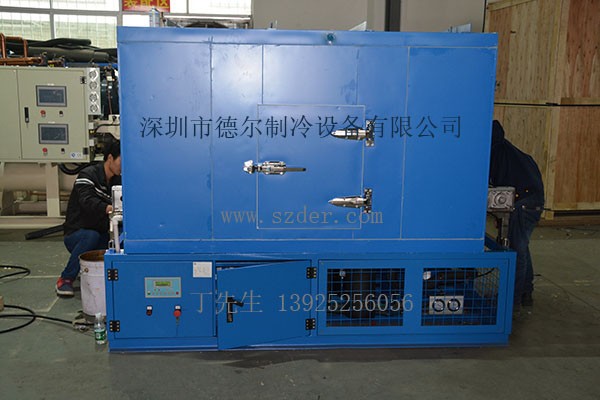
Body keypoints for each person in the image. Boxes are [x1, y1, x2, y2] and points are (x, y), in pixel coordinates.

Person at [489, 120, 544, 311]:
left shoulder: (494, 151)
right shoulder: (507, 150)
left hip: (523, 202)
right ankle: (525, 291)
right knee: (521, 247)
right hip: (532, 200)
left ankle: (511, 302)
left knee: (515, 251)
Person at [55, 140, 122, 296]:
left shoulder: (117, 180)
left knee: (121, 238)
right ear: (110, 158)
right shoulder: (88, 175)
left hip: (100, 233)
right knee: (91, 236)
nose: (123, 166)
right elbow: (87, 201)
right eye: (121, 161)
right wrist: (109, 208)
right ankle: (65, 279)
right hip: (77, 235)